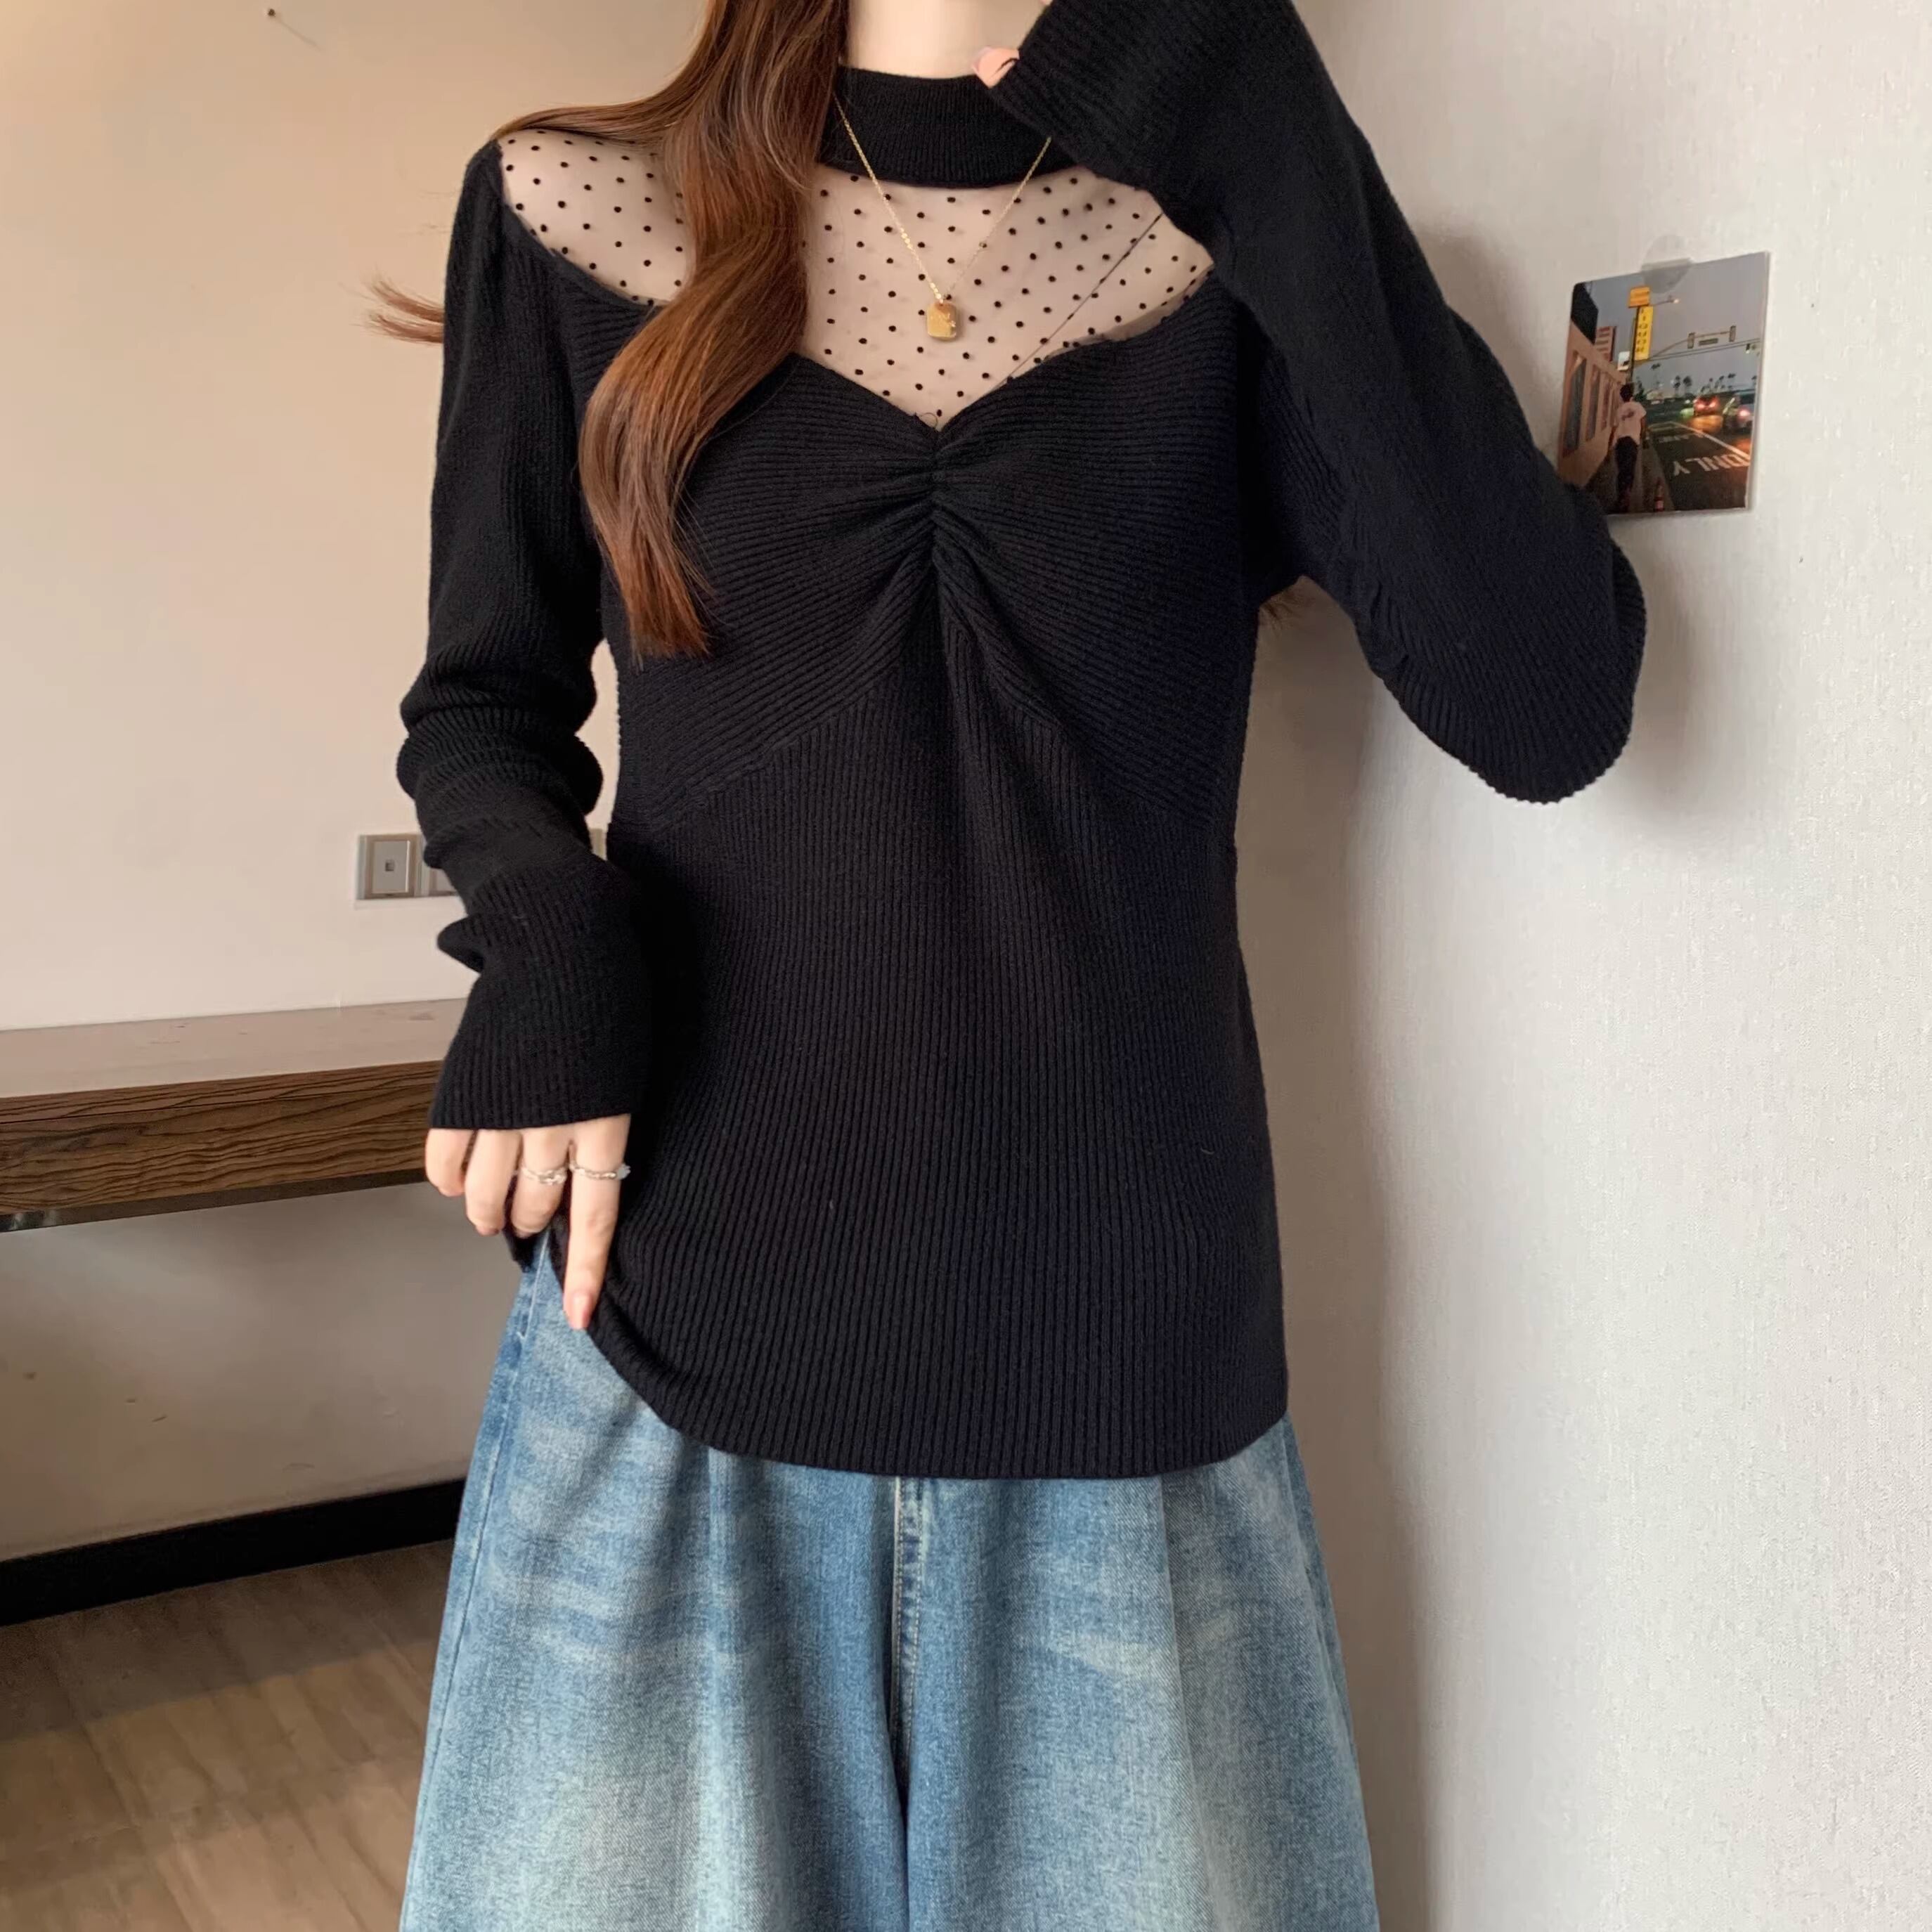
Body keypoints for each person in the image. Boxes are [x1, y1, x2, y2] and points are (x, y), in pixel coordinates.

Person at [374, 0, 1646, 1924]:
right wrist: (550, 936)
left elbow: (1546, 706)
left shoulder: (1220, 239)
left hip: (1122, 1381)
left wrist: (1267, 133)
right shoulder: (572, 209)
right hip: (677, 1344)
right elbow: (484, 699)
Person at [1612, 380, 1648, 512]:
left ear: (1622, 396)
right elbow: (1643, 423)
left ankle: (1622, 496)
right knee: (1630, 470)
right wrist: (1644, 436)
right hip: (1632, 443)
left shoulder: (1619, 410)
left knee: (1621, 470)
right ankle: (1627, 495)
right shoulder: (1638, 407)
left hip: (1621, 443)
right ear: (1631, 395)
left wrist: (1609, 449)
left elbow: (1614, 429)